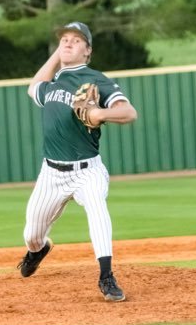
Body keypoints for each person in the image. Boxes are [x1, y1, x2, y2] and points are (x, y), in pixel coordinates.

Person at [17, 21, 137, 302]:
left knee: (97, 207)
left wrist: (100, 115)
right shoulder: (53, 84)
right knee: (32, 233)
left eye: (76, 40)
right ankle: (38, 250)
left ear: (88, 50)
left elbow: (129, 112)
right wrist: (58, 55)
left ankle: (106, 276)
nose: (68, 43)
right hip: (51, 173)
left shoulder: (95, 79)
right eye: (64, 40)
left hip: (88, 170)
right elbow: (33, 87)